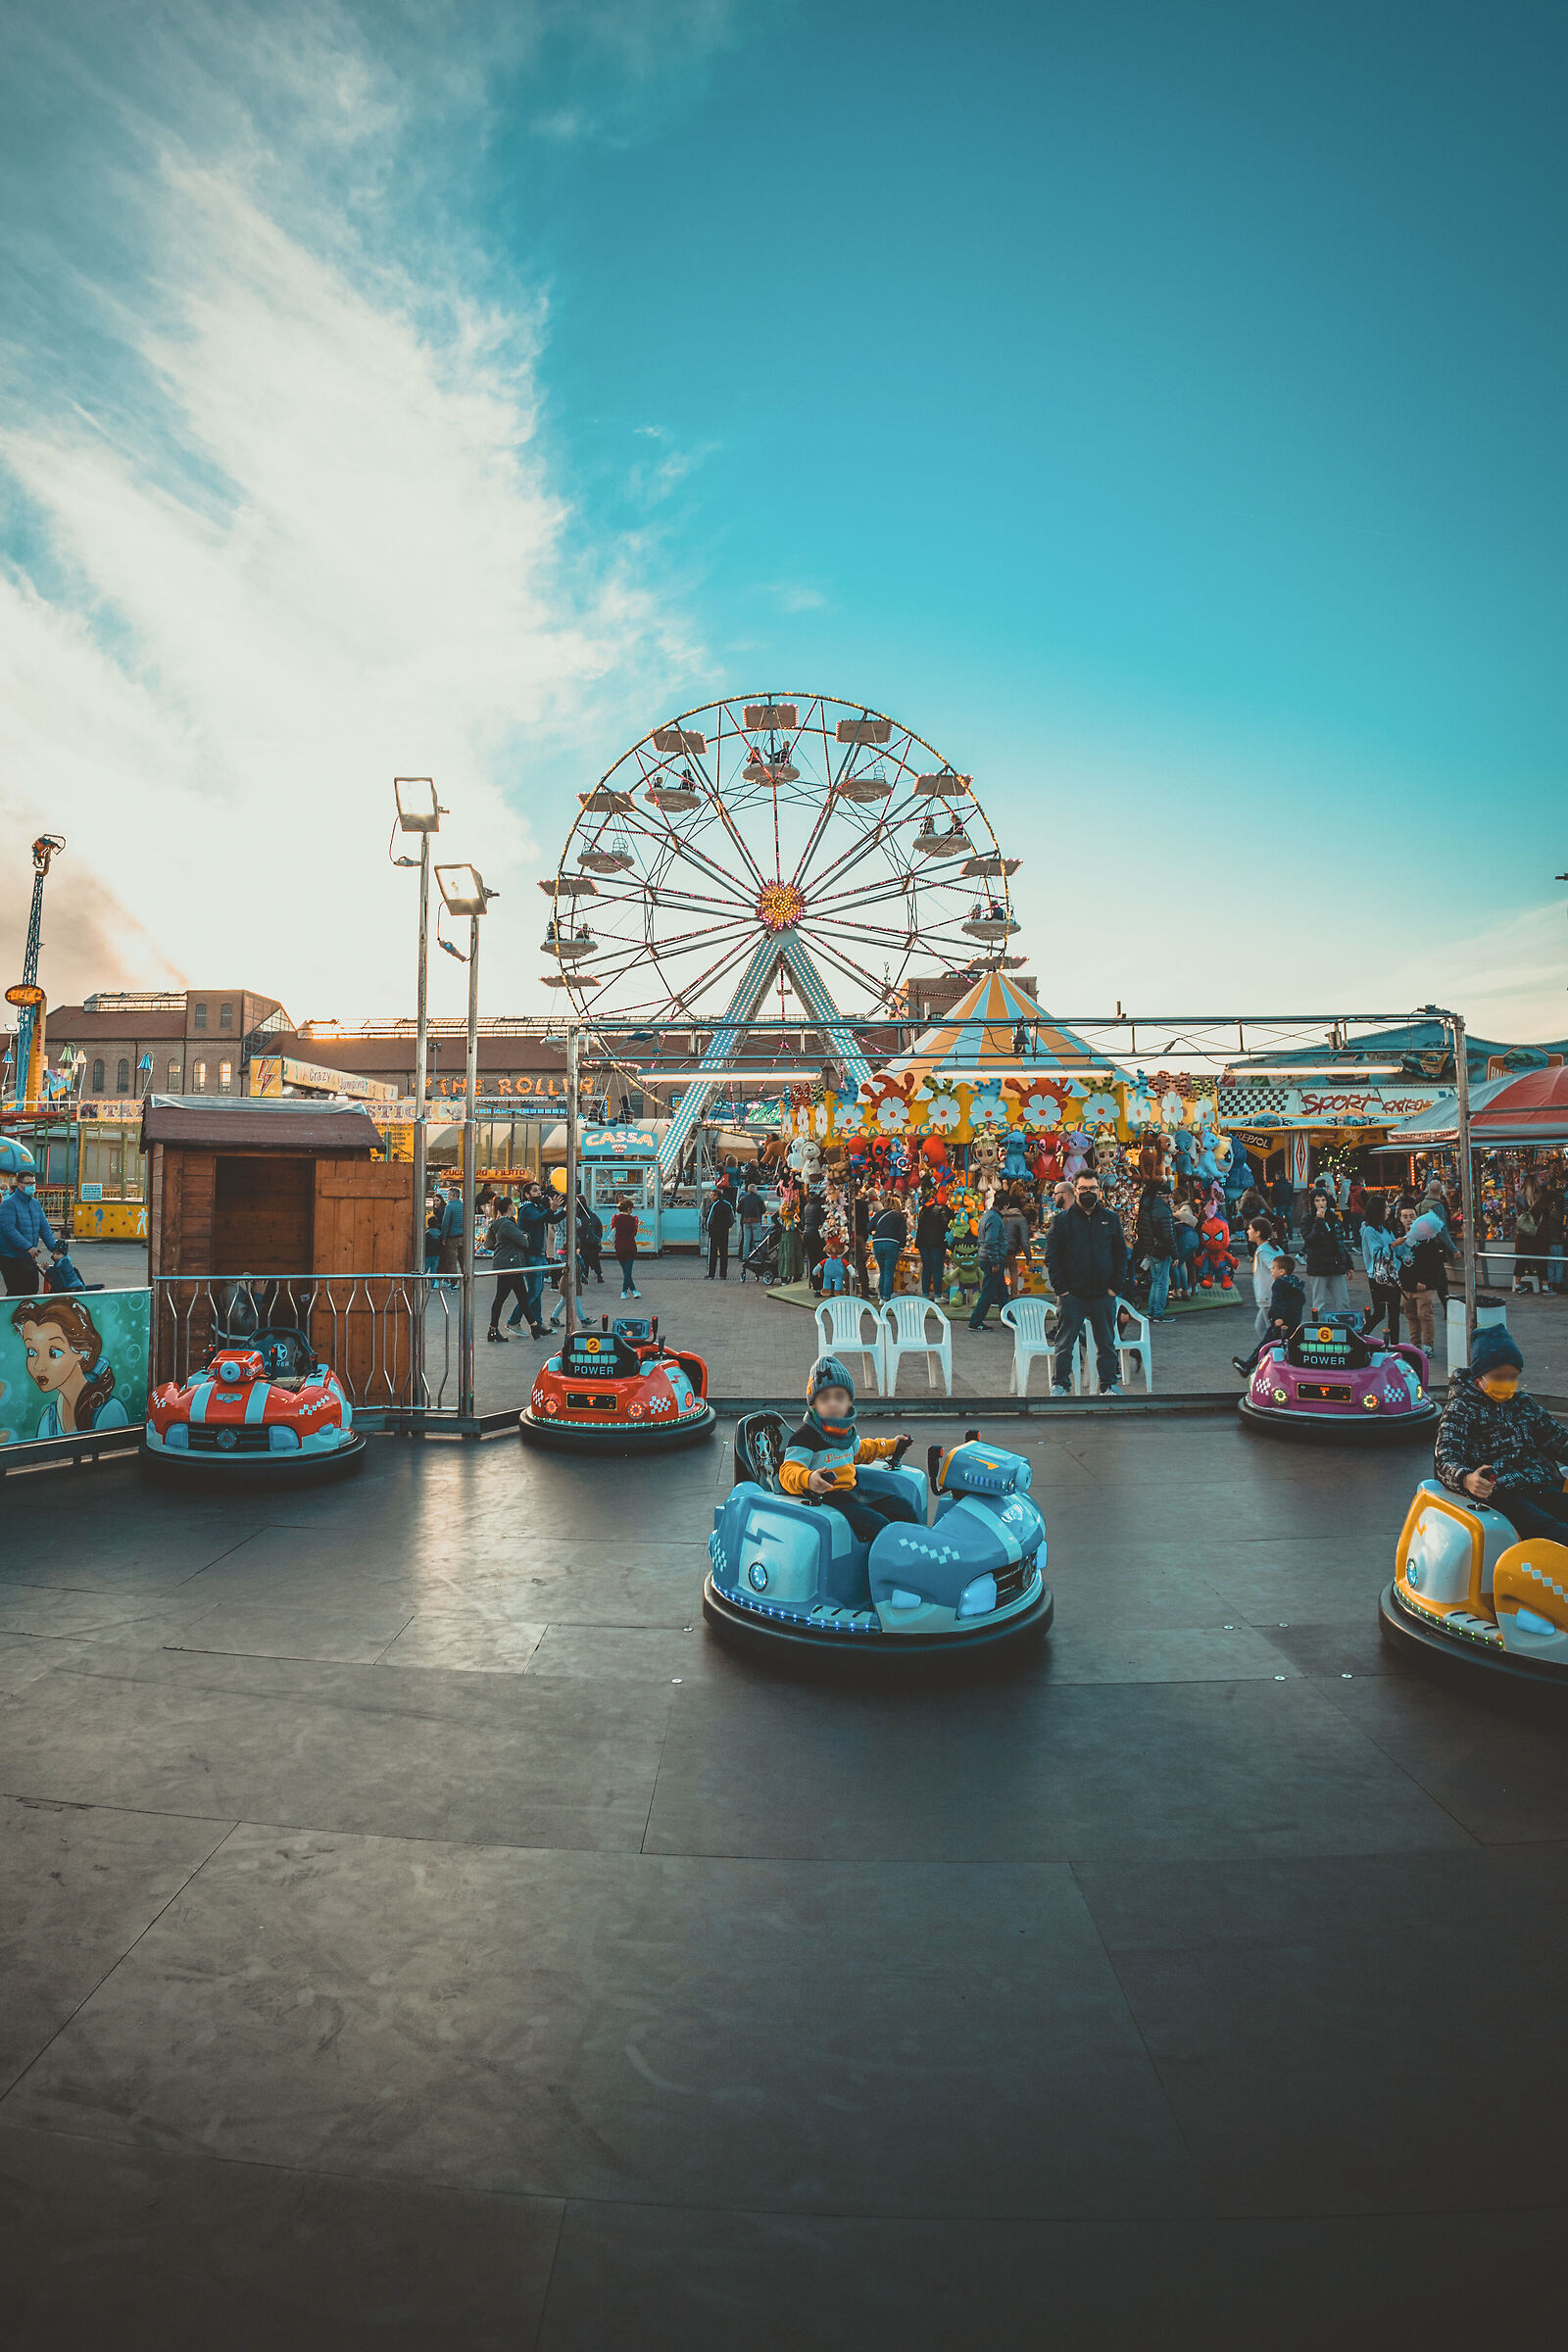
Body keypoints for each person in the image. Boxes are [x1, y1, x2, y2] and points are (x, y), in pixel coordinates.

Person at [1434, 1327, 1568, 1544]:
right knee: (1558, 1533)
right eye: (1499, 1377)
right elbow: (1446, 1458)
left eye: (1512, 1377)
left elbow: (1558, 1440)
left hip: (1540, 1486)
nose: (1506, 1384)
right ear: (1479, 1377)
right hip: (1501, 1494)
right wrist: (1468, 1479)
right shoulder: (1461, 1409)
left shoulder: (1523, 1404)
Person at [778, 1355, 917, 1545]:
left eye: (839, 1397)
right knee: (879, 1525)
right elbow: (787, 1472)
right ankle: (888, 1568)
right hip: (825, 1500)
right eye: (825, 1398)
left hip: (852, 1492)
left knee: (902, 1507)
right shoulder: (805, 1437)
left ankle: (915, 1556)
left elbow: (862, 1451)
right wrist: (809, 1479)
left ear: (849, 1402)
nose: (833, 1403)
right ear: (813, 1403)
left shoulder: (845, 1432)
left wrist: (891, 1445)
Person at [1045, 1169, 1129, 1393]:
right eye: (1083, 1188)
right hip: (1072, 1295)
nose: (1088, 1192)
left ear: (1099, 1191)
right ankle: (1060, 1385)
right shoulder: (1062, 1221)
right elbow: (1052, 1257)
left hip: (1103, 1294)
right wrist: (1061, 1289)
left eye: (1092, 1188)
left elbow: (1121, 1254)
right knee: (1064, 1343)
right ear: (1075, 1190)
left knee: (1106, 1343)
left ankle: (1108, 1385)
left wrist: (1114, 1287)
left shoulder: (1110, 1219)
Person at [10, 1298, 130, 1435]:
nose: (39, 1366)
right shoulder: (49, 1418)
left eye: (53, 1353)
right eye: (32, 1352)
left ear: (82, 1350)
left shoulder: (109, 1411)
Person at [1233, 1253, 1305, 1377]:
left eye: (1273, 1268)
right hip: (1294, 1321)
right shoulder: (1297, 1284)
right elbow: (1301, 1301)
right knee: (1288, 1345)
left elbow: (1278, 1302)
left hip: (1281, 1322)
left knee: (1266, 1344)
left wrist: (1278, 1317)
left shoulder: (1279, 1284)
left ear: (1281, 1271)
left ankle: (1249, 1366)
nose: (1272, 1271)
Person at [1396, 1200, 1445, 1352]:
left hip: (1424, 1287)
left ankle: (1428, 1346)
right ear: (1400, 1219)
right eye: (1405, 1216)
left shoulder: (1427, 1239)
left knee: (1425, 1315)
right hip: (1406, 1287)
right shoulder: (1400, 1239)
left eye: (1412, 1216)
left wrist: (1424, 1282)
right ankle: (1415, 1345)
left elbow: (1435, 1264)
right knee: (1411, 1316)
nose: (1409, 1219)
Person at [485, 1196, 533, 1343]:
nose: (514, 1207)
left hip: (511, 1263)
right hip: (508, 1263)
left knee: (522, 1296)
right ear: (510, 1207)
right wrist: (523, 1237)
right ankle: (492, 1330)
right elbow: (523, 1242)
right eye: (513, 1205)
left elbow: (490, 1245)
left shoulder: (499, 1223)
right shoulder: (506, 1224)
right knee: (501, 1297)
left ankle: (534, 1325)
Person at [0, 1170, 56, 1297]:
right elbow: (8, 1229)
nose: (32, 1186)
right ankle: (13, 1316)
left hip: (27, 1257)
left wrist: (55, 1249)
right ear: (19, 1185)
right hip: (10, 1257)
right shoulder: (9, 1204)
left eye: (33, 1183)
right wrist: (28, 1247)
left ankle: (25, 1316)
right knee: (17, 1292)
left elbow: (44, 1228)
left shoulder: (35, 1204)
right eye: (28, 1183)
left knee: (31, 1289)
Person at [1358, 1198, 1402, 1341]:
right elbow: (1376, 1254)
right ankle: (1361, 1335)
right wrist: (1393, 1245)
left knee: (1394, 1313)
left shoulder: (1384, 1227)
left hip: (1391, 1273)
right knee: (1380, 1312)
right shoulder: (1370, 1230)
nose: (1389, 1210)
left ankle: (1394, 1344)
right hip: (1378, 1276)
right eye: (1386, 1207)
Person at [1301, 1188, 1351, 1315]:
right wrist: (1319, 1220)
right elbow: (1310, 1241)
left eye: (1323, 1200)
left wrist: (1348, 1264)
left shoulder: (1334, 1218)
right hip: (1318, 1266)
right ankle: (1320, 1329)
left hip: (1336, 1265)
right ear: (1312, 1202)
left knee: (1343, 1301)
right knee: (1319, 1303)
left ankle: (1344, 1329)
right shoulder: (1307, 1219)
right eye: (1317, 1200)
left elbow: (1340, 1243)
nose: (1321, 1203)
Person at [966, 1197, 1010, 1332]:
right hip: (992, 1260)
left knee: (1002, 1291)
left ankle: (1007, 1319)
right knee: (988, 1292)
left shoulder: (988, 1216)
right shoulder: (994, 1219)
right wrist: (996, 1261)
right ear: (1005, 1206)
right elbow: (991, 1241)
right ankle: (975, 1321)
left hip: (987, 1257)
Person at [1136, 1179, 1176, 1322]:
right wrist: (1175, 1254)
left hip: (1150, 1249)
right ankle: (1158, 1313)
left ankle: (1151, 1311)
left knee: (1155, 1280)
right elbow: (1168, 1234)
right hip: (1161, 1250)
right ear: (1165, 1196)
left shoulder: (1146, 1206)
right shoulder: (1162, 1210)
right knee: (1162, 1282)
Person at [1246, 1215, 1280, 1340]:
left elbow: (1275, 1268)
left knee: (1271, 1332)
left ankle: (1272, 1355)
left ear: (1258, 1233)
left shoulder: (1263, 1251)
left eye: (1250, 1229)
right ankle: (1265, 1354)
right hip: (1270, 1297)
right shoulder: (1272, 1247)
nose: (1248, 1232)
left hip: (1269, 1297)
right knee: (1260, 1327)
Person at [870, 1196, 907, 1301]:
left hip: (877, 1243)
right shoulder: (898, 1216)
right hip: (891, 1243)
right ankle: (886, 1297)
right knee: (888, 1272)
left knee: (882, 1271)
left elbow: (869, 1226)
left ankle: (882, 1296)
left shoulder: (878, 1215)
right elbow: (902, 1233)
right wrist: (901, 1248)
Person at [914, 1193, 949, 1300]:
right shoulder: (943, 1209)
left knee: (927, 1268)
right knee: (937, 1269)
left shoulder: (924, 1209)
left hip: (923, 1243)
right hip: (937, 1243)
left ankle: (925, 1294)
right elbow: (947, 1224)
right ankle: (938, 1295)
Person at [610, 1196, 641, 1298]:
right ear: (628, 1209)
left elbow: (613, 1229)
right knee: (628, 1271)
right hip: (630, 1246)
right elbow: (634, 1233)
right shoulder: (633, 1220)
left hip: (619, 1247)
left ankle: (629, 1291)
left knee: (626, 1271)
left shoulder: (616, 1218)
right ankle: (627, 1291)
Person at [737, 1178, 766, 1281]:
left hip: (746, 1221)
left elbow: (738, 1209)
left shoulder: (744, 1199)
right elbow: (763, 1209)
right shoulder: (759, 1198)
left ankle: (746, 1256)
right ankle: (757, 1255)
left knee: (746, 1239)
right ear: (755, 1190)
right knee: (757, 1239)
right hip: (756, 1220)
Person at [432, 1182, 464, 1278]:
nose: (447, 1196)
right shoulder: (464, 1206)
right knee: (463, 1260)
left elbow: (445, 1223)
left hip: (452, 1238)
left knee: (452, 1261)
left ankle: (454, 1282)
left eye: (449, 1194)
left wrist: (444, 1237)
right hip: (463, 1237)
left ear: (453, 1195)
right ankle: (466, 1279)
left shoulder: (449, 1207)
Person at [705, 1184, 735, 1281]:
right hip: (724, 1232)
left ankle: (711, 1274)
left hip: (714, 1232)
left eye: (711, 1195)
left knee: (712, 1253)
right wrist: (727, 1226)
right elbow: (732, 1218)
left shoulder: (714, 1205)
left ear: (716, 1196)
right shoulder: (728, 1204)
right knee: (724, 1253)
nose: (710, 1197)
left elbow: (710, 1219)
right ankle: (723, 1274)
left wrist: (707, 1228)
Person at [576, 1196, 605, 1287]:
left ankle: (585, 1276)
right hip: (593, 1241)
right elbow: (599, 1227)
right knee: (595, 1258)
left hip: (582, 1241)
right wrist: (597, 1237)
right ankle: (599, 1274)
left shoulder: (576, 1216)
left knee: (585, 1259)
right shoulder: (592, 1215)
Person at [1266, 1169, 1296, 1241]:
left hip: (1280, 1204)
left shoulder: (1276, 1185)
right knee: (1289, 1220)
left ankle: (1282, 1235)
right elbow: (1292, 1194)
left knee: (1280, 1221)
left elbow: (1273, 1195)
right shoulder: (1288, 1184)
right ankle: (1290, 1234)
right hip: (1288, 1204)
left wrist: (1275, 1203)